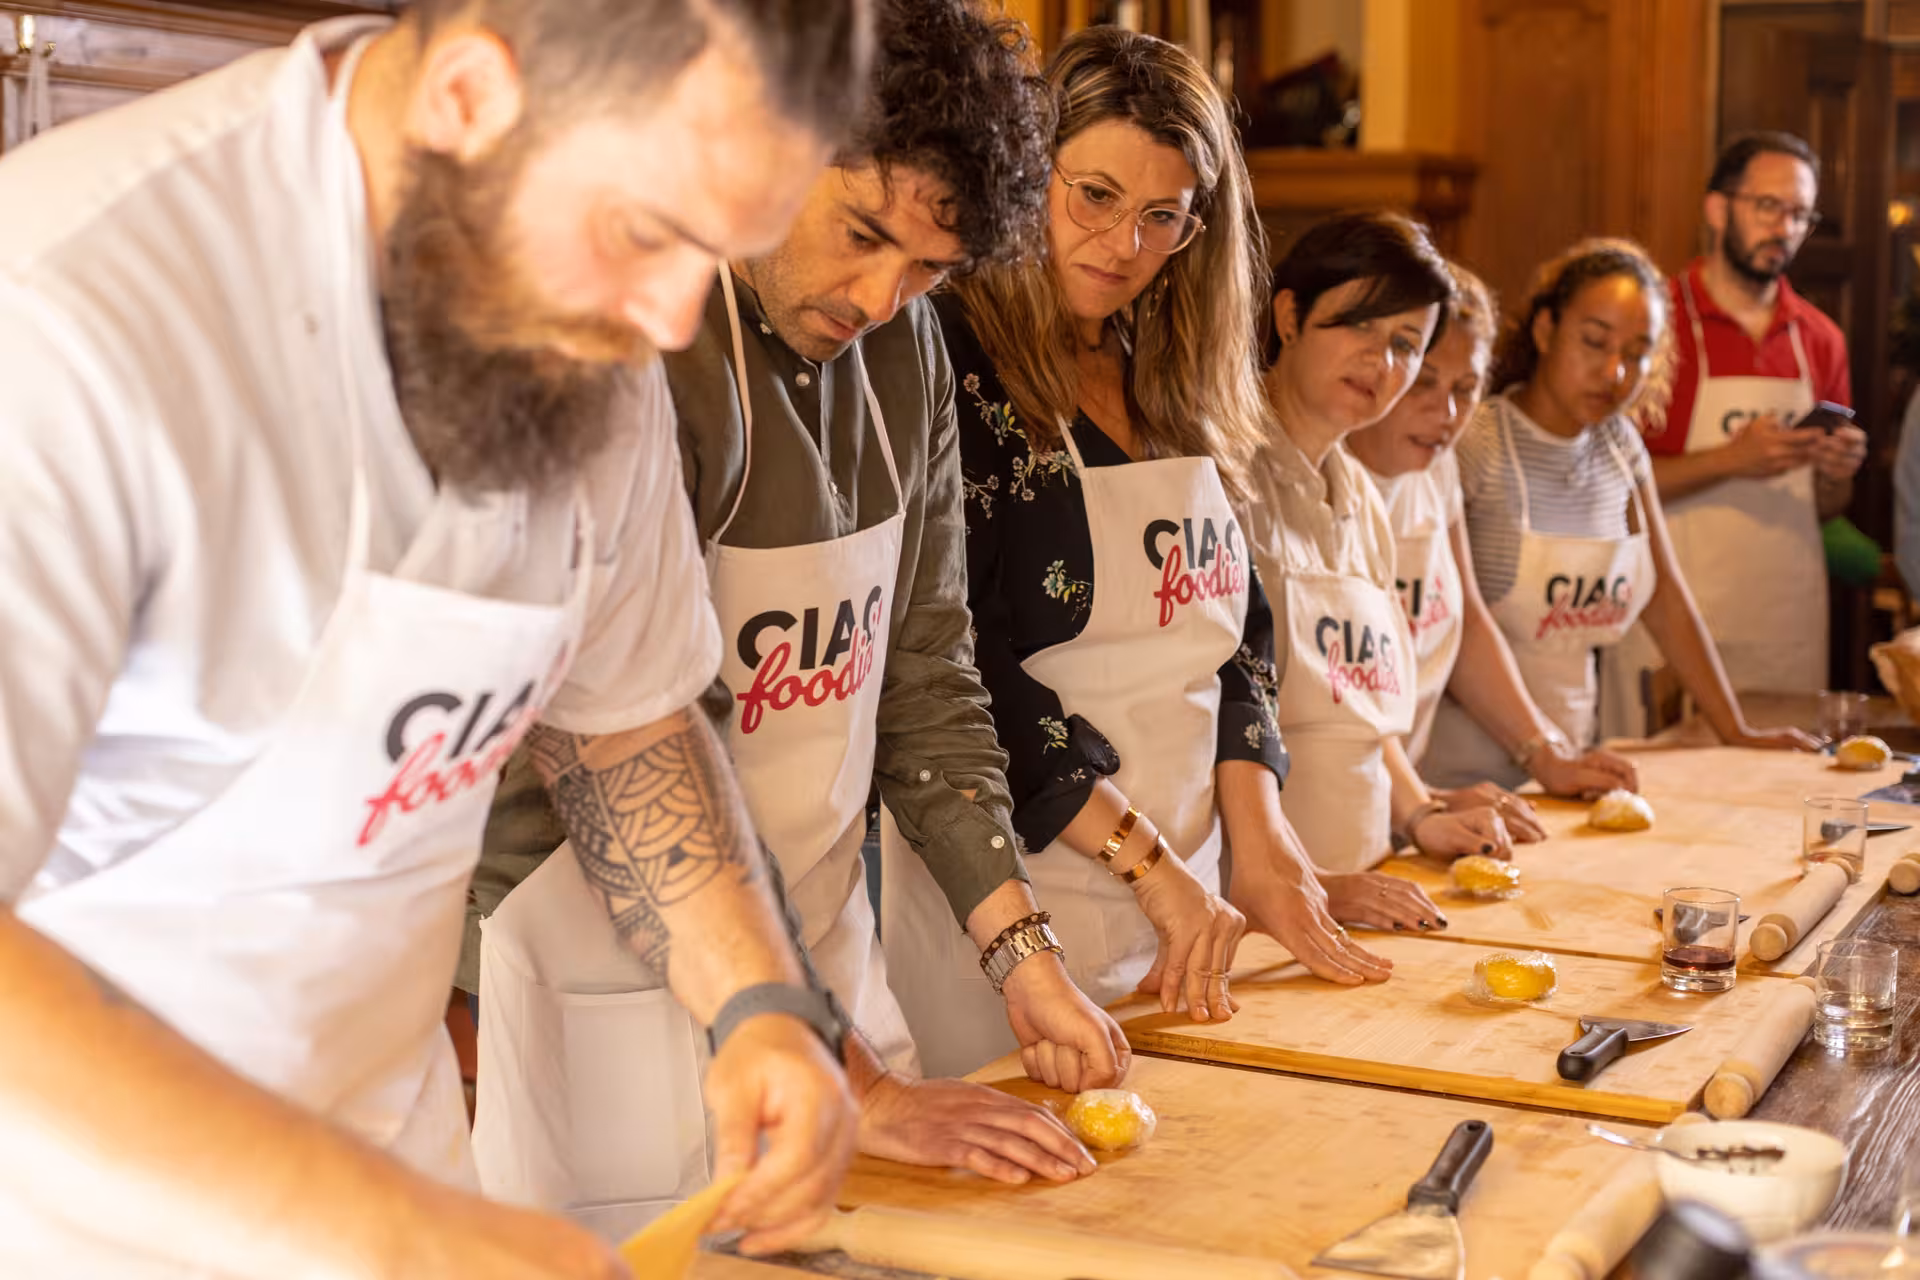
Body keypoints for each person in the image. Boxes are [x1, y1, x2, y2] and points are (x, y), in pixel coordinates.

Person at [0, 2, 873, 1274]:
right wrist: (400, 1232)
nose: (675, 324)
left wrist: (759, 1002)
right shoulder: (68, 316)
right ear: (468, 94)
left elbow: (625, 718)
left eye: (720, 254)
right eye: (648, 232)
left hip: (398, 1172)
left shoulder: (586, 323)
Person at [466, 0, 1125, 1220]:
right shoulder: (650, 338)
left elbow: (925, 662)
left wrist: (1018, 950)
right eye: (861, 233)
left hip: (822, 957)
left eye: (928, 268)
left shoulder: (909, 349)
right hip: (599, 966)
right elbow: (633, 736)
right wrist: (851, 1072)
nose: (881, 297)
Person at [887, 27, 1403, 1082]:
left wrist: (1257, 840)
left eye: (1161, 216)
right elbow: (965, 670)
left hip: (1191, 905)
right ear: (1030, 172)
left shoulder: (1167, 375)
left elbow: (1240, 633)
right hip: (1015, 906)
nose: (1123, 244)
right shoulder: (945, 356)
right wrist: (1153, 866)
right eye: (1094, 197)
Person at [1425, 239, 1817, 791]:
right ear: (1544, 331)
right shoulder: (1475, 444)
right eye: (1594, 342)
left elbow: (1665, 599)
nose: (1614, 371)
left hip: (1575, 753)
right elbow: (1456, 621)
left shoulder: (1620, 446)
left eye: (1637, 353)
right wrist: (1541, 753)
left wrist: (1735, 728)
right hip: (1464, 769)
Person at [1252, 211, 1521, 886]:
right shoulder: (1228, 478)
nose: (1382, 361)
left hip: (1362, 870)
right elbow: (1212, 731)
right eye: (1360, 324)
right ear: (1289, 316)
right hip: (1261, 895)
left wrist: (1421, 814)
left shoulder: (1361, 500)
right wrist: (1298, 886)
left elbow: (1364, 713)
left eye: (1406, 343)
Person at [1345, 262, 1641, 806]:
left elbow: (1468, 621)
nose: (1447, 413)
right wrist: (1422, 806)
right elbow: (1328, 700)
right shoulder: (1320, 477)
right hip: (1340, 811)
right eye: (1426, 383)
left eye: (1466, 389)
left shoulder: (1436, 469)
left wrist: (1545, 751)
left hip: (1400, 802)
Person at [1605, 132, 1867, 732]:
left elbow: (1828, 507)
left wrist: (1834, 473)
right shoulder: (1656, 321)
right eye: (1768, 206)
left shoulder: (1820, 338)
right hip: (1668, 617)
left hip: (1785, 625)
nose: (1785, 227)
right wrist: (1730, 459)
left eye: (1800, 213)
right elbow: (1609, 496)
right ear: (1718, 208)